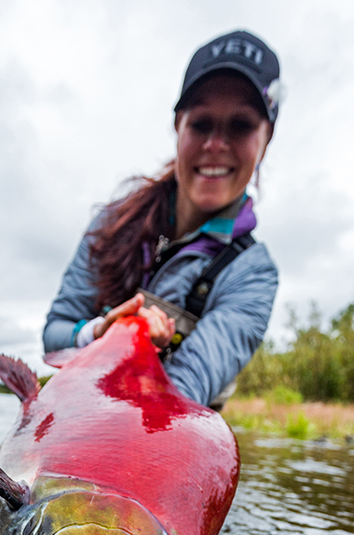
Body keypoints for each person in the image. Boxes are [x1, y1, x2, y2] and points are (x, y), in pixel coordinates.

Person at [43, 30, 281, 409]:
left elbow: (185, 392)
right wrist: (102, 333)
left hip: (162, 441)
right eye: (202, 123)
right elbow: (55, 332)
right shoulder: (112, 222)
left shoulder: (253, 275)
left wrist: (130, 347)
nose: (216, 145)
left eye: (241, 126)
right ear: (178, 127)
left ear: (266, 140)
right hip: (75, 418)